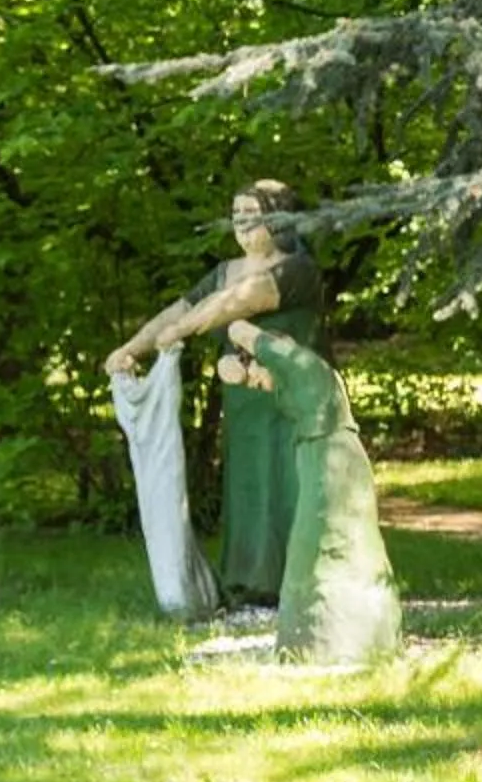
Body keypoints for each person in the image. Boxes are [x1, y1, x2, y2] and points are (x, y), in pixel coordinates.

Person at [107, 181, 328, 604]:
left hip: (295, 402)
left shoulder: (298, 269)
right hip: (245, 404)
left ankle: (303, 584)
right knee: (249, 485)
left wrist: (183, 330)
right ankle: (250, 583)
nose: (242, 222)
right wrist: (132, 348)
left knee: (293, 482)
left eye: (252, 213)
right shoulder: (225, 271)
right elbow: (181, 309)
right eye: (236, 213)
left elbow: (241, 302)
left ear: (278, 218)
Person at [220, 319, 400, 664]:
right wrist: (240, 367)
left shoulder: (301, 366)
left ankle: (336, 642)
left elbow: (241, 328)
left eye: (257, 378)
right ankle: (328, 641)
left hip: (333, 466)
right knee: (316, 548)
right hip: (320, 461)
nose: (257, 386)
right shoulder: (291, 379)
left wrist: (239, 337)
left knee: (323, 546)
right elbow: (246, 371)